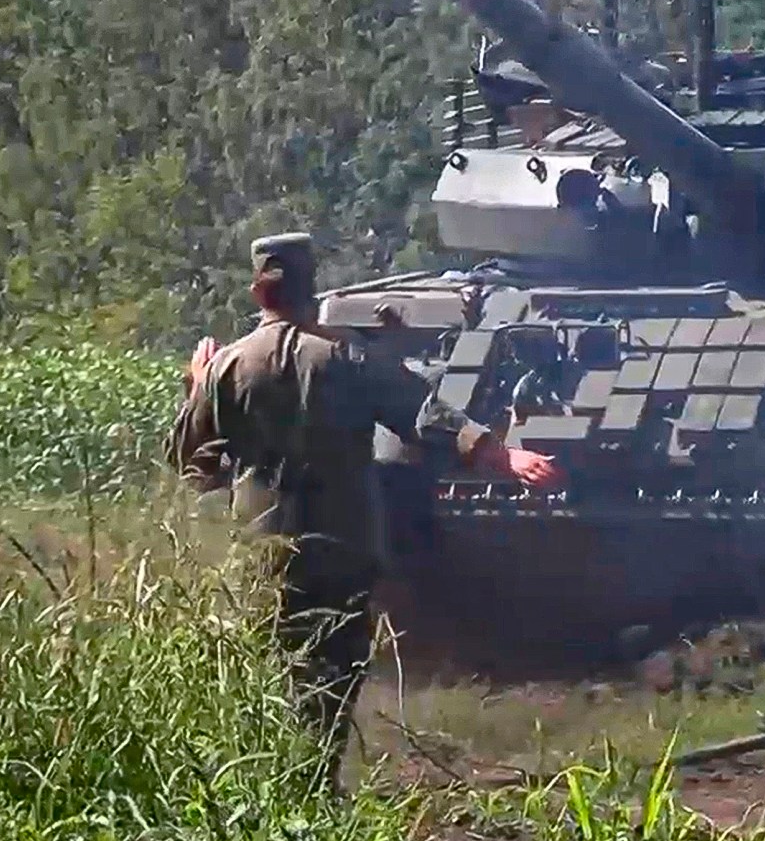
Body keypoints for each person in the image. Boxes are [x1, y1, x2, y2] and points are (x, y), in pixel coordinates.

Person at [166, 232, 562, 782]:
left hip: (261, 545)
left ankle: (269, 781)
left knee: (270, 663)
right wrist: (504, 456)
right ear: (312, 289)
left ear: (260, 294)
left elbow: (190, 465)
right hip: (343, 541)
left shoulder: (228, 367)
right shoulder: (348, 359)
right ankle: (317, 778)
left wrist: (197, 388)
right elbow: (425, 416)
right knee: (334, 669)